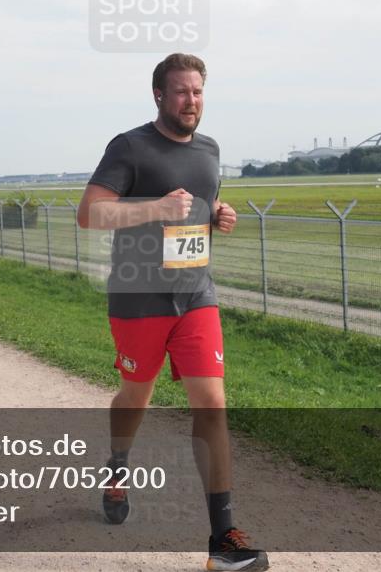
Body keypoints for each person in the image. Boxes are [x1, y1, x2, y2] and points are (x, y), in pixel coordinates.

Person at [77, 53, 268, 571]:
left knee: (212, 402)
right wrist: (154, 208)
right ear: (159, 95)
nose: (192, 101)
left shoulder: (210, 150)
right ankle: (117, 466)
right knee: (136, 394)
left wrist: (218, 217)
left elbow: (199, 212)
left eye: (198, 91)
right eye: (181, 92)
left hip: (196, 295)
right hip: (139, 299)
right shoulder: (130, 146)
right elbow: (90, 212)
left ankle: (222, 538)